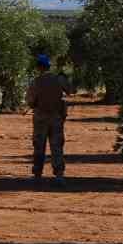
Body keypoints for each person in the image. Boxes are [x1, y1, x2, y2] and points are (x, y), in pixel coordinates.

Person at [24, 53, 70, 186]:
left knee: (39, 146)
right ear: (49, 66)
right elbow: (70, 90)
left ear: (39, 67)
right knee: (57, 147)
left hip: (40, 118)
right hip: (56, 118)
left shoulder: (36, 82)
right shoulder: (58, 79)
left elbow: (30, 101)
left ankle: (38, 175)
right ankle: (59, 176)